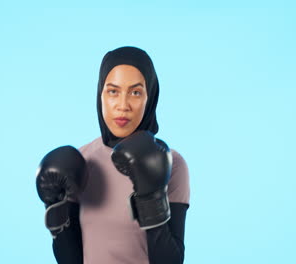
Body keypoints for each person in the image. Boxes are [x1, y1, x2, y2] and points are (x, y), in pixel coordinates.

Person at [36, 46, 190, 264]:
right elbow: (70, 260)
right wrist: (54, 207)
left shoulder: (172, 164)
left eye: (135, 92)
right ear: (101, 94)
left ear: (150, 97)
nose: (123, 105)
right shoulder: (81, 160)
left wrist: (150, 199)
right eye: (113, 91)